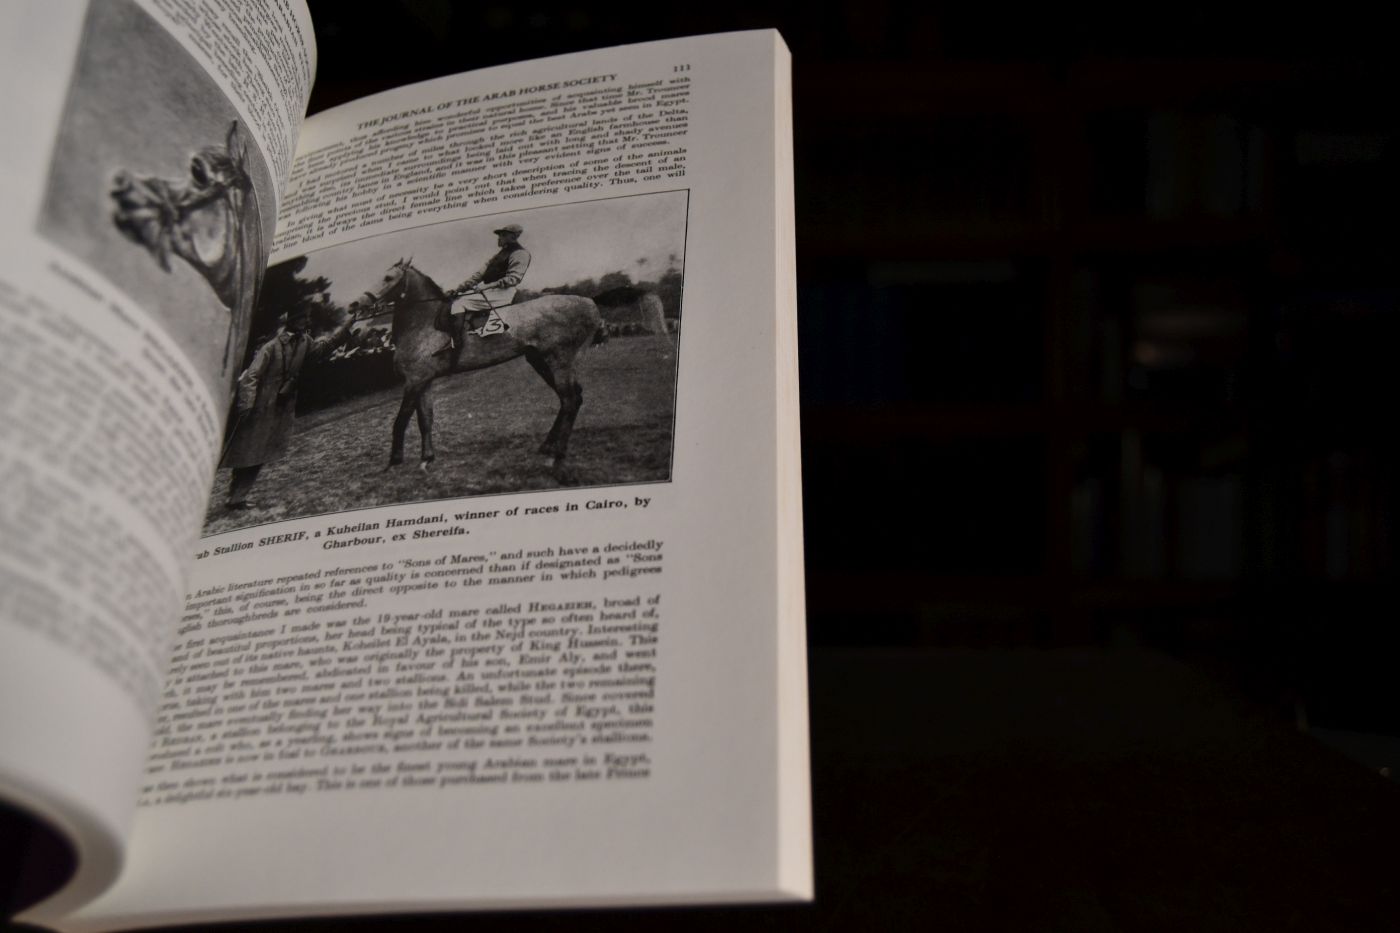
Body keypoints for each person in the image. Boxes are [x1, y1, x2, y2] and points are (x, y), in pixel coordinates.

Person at [219, 303, 356, 510]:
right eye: (301, 318)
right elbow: (251, 376)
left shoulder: (305, 341)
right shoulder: (271, 346)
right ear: (291, 321)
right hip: (258, 407)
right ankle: (234, 495)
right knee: (247, 452)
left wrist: (346, 328)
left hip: (281, 405)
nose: (305, 322)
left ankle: (237, 497)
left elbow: (323, 349)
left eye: (306, 318)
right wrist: (246, 404)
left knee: (259, 453)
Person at [446, 223, 531, 348]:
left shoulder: (520, 253)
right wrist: (458, 289)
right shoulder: (499, 255)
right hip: (491, 291)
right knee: (459, 297)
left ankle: (456, 343)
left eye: (503, 235)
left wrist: (487, 286)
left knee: (458, 303)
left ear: (513, 237)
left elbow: (514, 279)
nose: (499, 238)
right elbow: (478, 275)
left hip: (503, 293)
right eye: (500, 235)